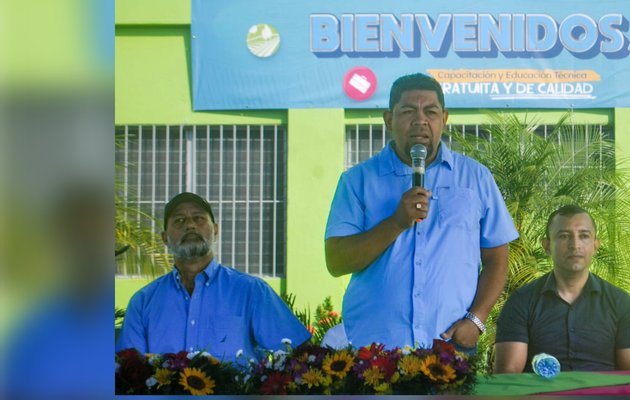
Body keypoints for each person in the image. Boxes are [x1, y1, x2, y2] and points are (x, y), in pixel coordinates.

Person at [325, 73, 518, 351]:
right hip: (374, 349)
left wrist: (476, 320)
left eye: (431, 112)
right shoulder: (358, 181)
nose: (420, 121)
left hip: (449, 344)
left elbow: (497, 259)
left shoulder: (475, 178)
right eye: (407, 112)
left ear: (444, 119)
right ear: (388, 120)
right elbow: (336, 261)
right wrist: (395, 223)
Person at [116, 192, 310, 361]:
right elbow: (129, 370)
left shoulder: (250, 291)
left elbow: (299, 355)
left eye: (199, 218)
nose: (190, 225)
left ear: (215, 230)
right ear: (165, 238)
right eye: (179, 221)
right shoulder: (143, 303)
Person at [494, 204, 630, 373]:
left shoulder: (620, 303)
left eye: (584, 236)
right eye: (564, 236)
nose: (575, 245)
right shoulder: (522, 301)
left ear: (596, 245)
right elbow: (508, 377)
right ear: (547, 245)